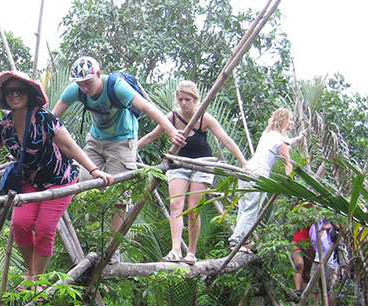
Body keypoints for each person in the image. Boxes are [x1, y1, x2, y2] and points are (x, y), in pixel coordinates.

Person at [0, 71, 113, 283]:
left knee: (45, 227)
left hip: (59, 179)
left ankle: (37, 280)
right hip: (31, 181)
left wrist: (94, 170)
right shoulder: (5, 126)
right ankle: (32, 274)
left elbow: (70, 147)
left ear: (29, 93)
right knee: (20, 224)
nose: (14, 95)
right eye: (9, 91)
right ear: (4, 96)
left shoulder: (45, 118)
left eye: (19, 90)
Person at [53, 56, 185, 261]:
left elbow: (147, 107)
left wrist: (171, 130)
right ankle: (117, 207)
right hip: (96, 140)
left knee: (119, 195)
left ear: (98, 75)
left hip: (123, 141)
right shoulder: (76, 90)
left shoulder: (116, 86)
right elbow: (52, 118)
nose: (85, 88)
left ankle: (113, 250)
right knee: (85, 181)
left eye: (88, 82)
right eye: (81, 84)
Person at [137, 80, 248, 264]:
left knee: (193, 208)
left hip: (202, 165)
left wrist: (243, 162)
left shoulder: (205, 118)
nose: (183, 103)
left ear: (195, 100)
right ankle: (175, 250)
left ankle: (191, 252)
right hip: (178, 164)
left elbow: (226, 140)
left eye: (187, 99)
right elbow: (151, 137)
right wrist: (132, 149)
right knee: (176, 204)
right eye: (180, 99)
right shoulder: (172, 117)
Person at [229, 108, 306, 252]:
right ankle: (235, 242)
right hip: (259, 176)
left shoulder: (267, 135)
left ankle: (244, 241)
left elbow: (287, 143)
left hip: (246, 171)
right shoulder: (280, 140)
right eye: (290, 120)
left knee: (244, 209)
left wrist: (299, 138)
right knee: (251, 211)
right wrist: (289, 182)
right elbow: (288, 163)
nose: (291, 122)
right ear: (283, 121)